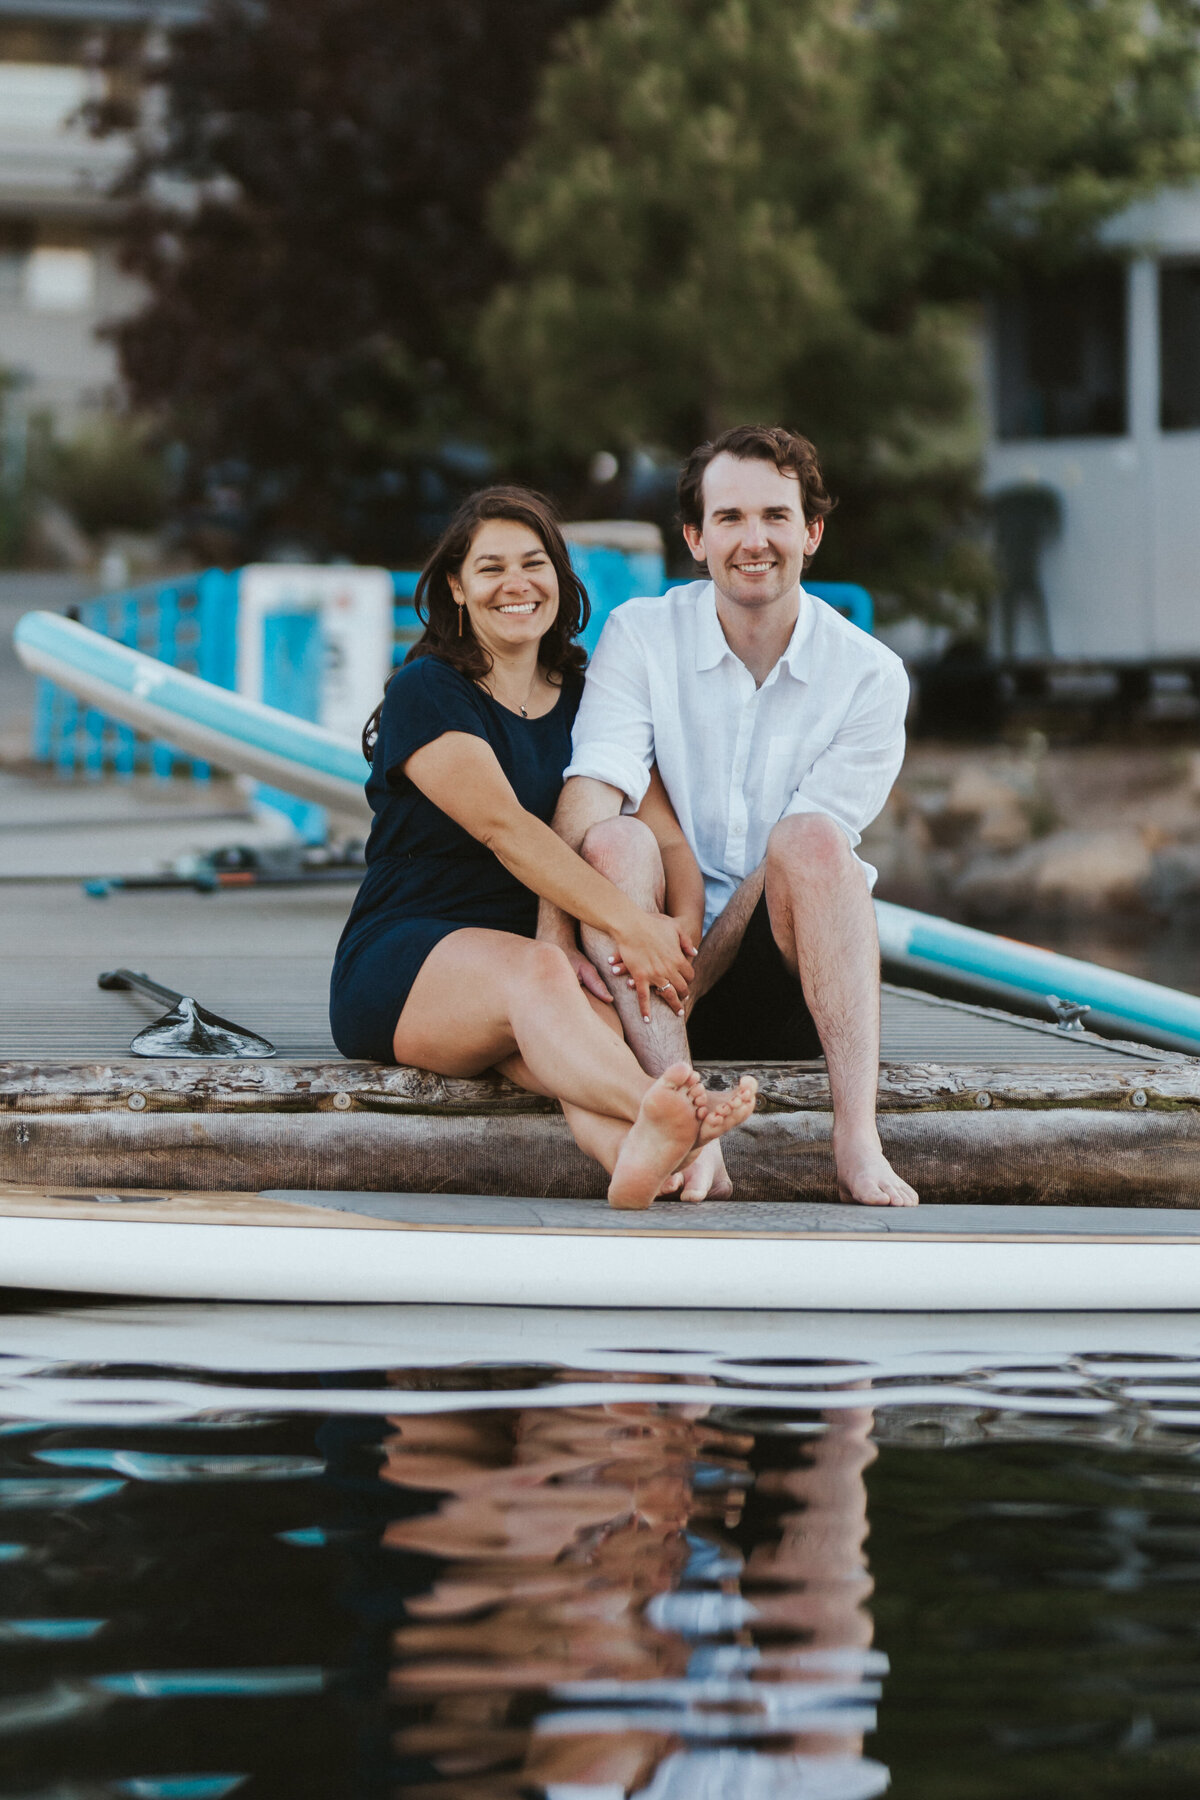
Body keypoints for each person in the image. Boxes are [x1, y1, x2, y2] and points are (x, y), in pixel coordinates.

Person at [328, 485, 757, 1211]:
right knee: (545, 984)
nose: (516, 584)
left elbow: (664, 834)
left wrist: (680, 925)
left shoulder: (588, 696)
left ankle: (632, 1159)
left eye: (534, 563)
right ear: (457, 590)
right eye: (491, 568)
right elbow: (506, 830)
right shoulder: (427, 691)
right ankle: (671, 1110)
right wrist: (628, 924)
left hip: (543, 961)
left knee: (577, 1029)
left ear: (560, 578)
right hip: (408, 957)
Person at [538, 425, 918, 1208]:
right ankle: (683, 1119)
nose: (755, 540)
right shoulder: (641, 635)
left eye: (777, 517)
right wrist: (550, 939)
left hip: (780, 976)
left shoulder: (870, 677)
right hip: (635, 980)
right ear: (694, 536)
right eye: (731, 518)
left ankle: (856, 1139)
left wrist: (683, 968)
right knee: (614, 837)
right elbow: (593, 786)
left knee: (811, 841)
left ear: (811, 533)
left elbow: (811, 861)